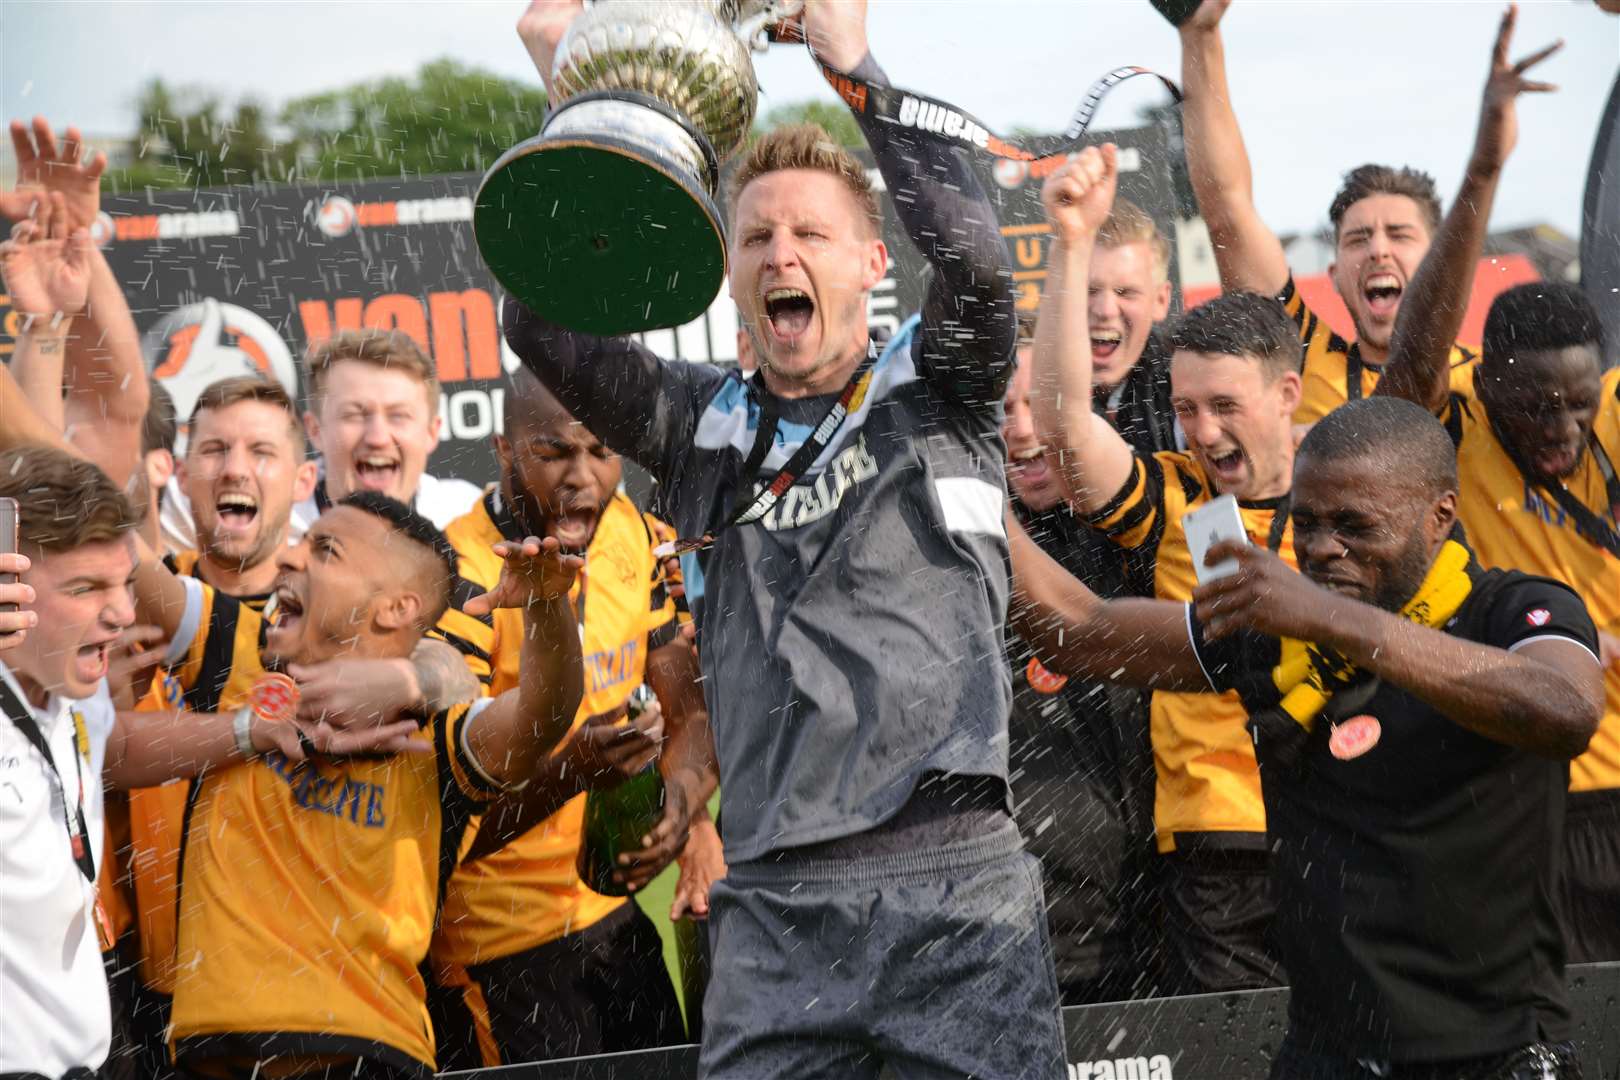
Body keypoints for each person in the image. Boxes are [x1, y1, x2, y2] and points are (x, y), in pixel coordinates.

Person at [509, 2, 1065, 1075]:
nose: (780, 254)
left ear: (869, 264)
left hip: (950, 880)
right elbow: (540, 325)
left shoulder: (935, 383)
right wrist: (584, 110)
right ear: (731, 277)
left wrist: (852, 62)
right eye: (756, 236)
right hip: (771, 904)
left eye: (810, 234)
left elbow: (980, 260)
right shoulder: (696, 421)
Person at [1012, 394, 1603, 1079]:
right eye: (1309, 522)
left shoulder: (1507, 608)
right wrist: (966, 484)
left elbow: (1565, 710)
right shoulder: (1281, 628)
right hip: (1326, 1054)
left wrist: (1329, 618)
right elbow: (1077, 633)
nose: (1323, 549)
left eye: (1354, 526)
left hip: (1492, 1053)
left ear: (1441, 514)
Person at [120, 486, 586, 1077]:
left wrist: (547, 604)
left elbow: (544, 713)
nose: (288, 556)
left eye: (326, 550)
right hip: (209, 1056)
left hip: (369, 1056)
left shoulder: (434, 736)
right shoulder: (237, 651)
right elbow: (111, 544)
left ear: (394, 607)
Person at [0, 446, 421, 1079]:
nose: (119, 613)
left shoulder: (64, 689)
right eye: (85, 589)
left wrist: (255, 729)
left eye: (122, 582)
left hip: (91, 1059)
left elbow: (117, 747)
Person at [1373, 7, 1617, 965]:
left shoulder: (1613, 405)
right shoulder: (1458, 413)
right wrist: (1482, 170)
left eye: (1579, 404)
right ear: (1486, 383)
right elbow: (1410, 371)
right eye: (1536, 408)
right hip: (1530, 783)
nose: (1560, 428)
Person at [1031, 145, 1300, 993]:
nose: (1202, 429)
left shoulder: (1346, 492)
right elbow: (1065, 420)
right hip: (1211, 845)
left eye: (1225, 407)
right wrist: (1068, 244)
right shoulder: (1173, 493)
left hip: (1337, 826)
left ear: (1289, 396)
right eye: (1186, 410)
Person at [428, 367, 713, 1068]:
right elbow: (444, 816)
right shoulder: (459, 572)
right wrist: (574, 768)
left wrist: (684, 808)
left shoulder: (634, 534)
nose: (581, 476)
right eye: (553, 453)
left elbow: (683, 697)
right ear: (504, 450)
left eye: (601, 450)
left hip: (615, 915)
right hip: (503, 945)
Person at [1173, 0, 1492, 424]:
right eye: (1357, 239)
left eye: (1399, 234)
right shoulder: (1300, 363)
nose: (1378, 250)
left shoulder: (1489, 381)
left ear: (1441, 264)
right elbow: (1228, 214)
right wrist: (1200, 35)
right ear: (1335, 275)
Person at [1002, 317, 1164, 1004]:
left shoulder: (1153, 524)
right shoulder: (949, 549)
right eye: (999, 409)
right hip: (1023, 929)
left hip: (1165, 911)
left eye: (1036, 404)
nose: (1019, 427)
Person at [159, 329, 481, 551]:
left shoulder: (465, 516)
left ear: (431, 432)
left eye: (398, 416)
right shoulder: (262, 509)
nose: (378, 437)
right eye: (354, 414)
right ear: (315, 430)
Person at [167, 376, 318, 607]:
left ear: (303, 482)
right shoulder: (140, 600)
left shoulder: (330, 614)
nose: (235, 470)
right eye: (214, 450)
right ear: (183, 476)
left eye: (261, 452)